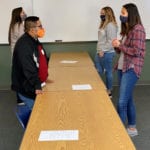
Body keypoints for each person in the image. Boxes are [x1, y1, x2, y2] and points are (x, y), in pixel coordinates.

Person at [112, 3, 146, 137]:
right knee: (128, 99)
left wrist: (120, 45)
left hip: (131, 69)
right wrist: (116, 45)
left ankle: (119, 132)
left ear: (131, 14)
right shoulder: (128, 30)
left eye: (123, 13)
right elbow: (122, 51)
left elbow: (136, 51)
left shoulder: (138, 29)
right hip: (122, 67)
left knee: (121, 101)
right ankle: (132, 128)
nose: (121, 15)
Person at [11, 16, 48, 114]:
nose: (42, 28)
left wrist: (45, 76)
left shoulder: (34, 40)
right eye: (40, 26)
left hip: (33, 84)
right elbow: (28, 68)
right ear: (32, 29)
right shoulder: (24, 45)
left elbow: (41, 58)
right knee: (38, 114)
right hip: (27, 88)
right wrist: (37, 85)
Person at [95, 6, 118, 98]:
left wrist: (103, 50)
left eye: (103, 14)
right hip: (100, 51)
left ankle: (109, 91)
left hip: (107, 53)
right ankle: (98, 88)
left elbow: (111, 41)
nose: (101, 15)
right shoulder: (104, 24)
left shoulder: (111, 25)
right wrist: (99, 50)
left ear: (108, 14)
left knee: (108, 71)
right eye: (100, 14)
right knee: (98, 71)